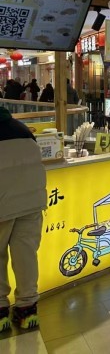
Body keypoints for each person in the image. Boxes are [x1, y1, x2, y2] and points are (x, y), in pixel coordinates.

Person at [0, 106, 46, 331]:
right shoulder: (22, 129)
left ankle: (0, 312)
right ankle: (27, 309)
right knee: (26, 254)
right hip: (32, 202)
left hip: (3, 204)